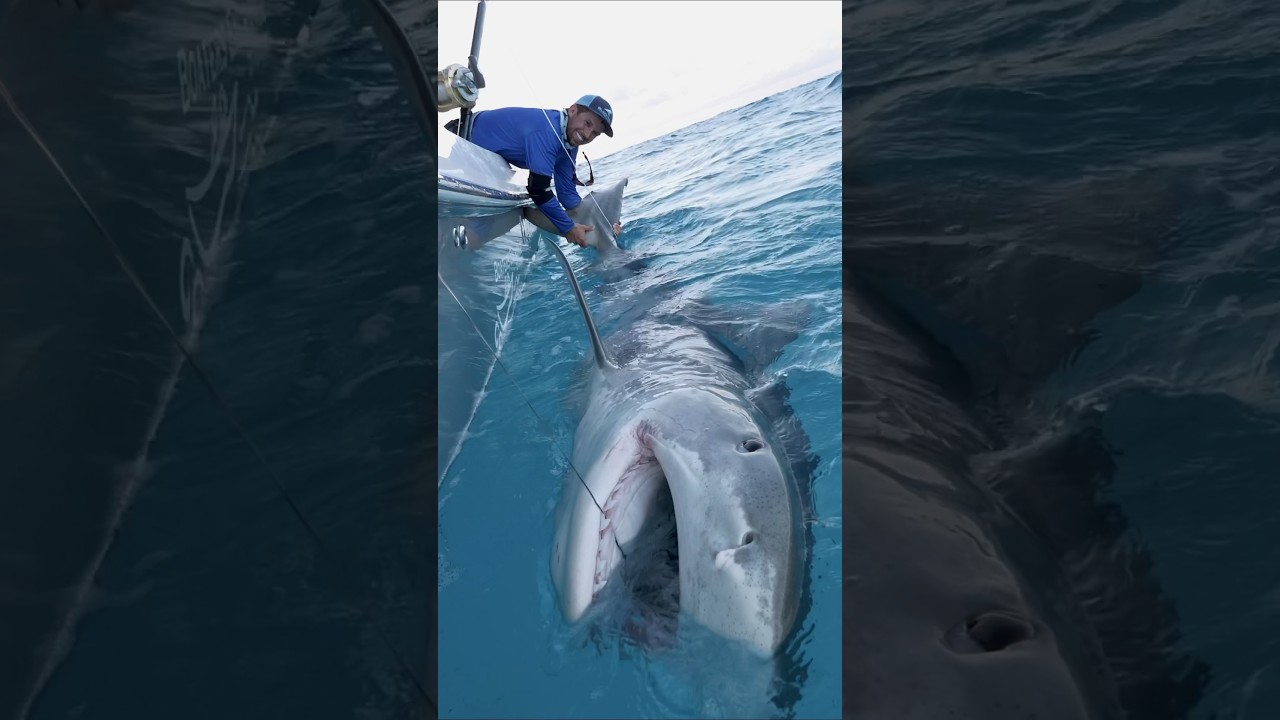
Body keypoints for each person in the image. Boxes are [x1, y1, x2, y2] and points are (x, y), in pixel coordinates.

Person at [463, 95, 622, 247]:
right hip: (464, 141)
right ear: (572, 110)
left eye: (595, 133)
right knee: (474, 239)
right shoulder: (547, 131)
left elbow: (567, 194)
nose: (587, 135)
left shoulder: (569, 143)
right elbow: (538, 191)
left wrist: (602, 229)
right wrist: (568, 228)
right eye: (587, 123)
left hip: (487, 161)